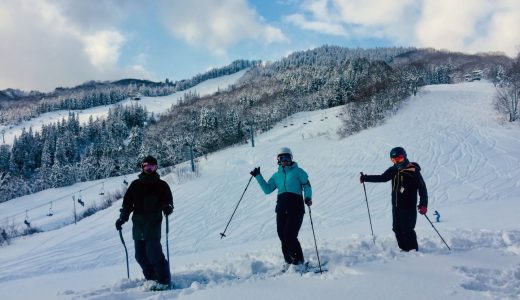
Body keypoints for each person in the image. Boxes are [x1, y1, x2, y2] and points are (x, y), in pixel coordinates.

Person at [115, 155, 174, 290]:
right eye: (147, 166)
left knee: (154, 253)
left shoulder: (161, 185)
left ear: (156, 168)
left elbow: (168, 200)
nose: (149, 169)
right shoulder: (135, 185)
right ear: (142, 167)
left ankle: (164, 280)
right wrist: (122, 218)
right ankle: (151, 278)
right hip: (138, 225)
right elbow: (128, 204)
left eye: (152, 167)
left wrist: (167, 207)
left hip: (153, 224)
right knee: (140, 255)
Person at [250, 147, 312, 268]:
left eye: (287, 158)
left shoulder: (298, 171)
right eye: (282, 158)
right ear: (278, 160)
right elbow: (267, 190)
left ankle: (298, 261)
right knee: (282, 235)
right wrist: (258, 176)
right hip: (281, 208)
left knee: (290, 235)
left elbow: (306, 185)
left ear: (291, 158)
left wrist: (308, 197)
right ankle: (289, 262)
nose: (285, 160)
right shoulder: (276, 176)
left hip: (296, 207)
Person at [360, 147, 428, 252]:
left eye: (399, 159)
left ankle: (414, 252)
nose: (397, 161)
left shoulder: (413, 171)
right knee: (397, 229)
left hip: (409, 207)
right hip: (396, 206)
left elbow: (422, 189)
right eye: (394, 160)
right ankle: (403, 249)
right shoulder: (394, 169)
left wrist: (423, 204)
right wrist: (366, 178)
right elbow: (382, 178)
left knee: (408, 230)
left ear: (405, 157)